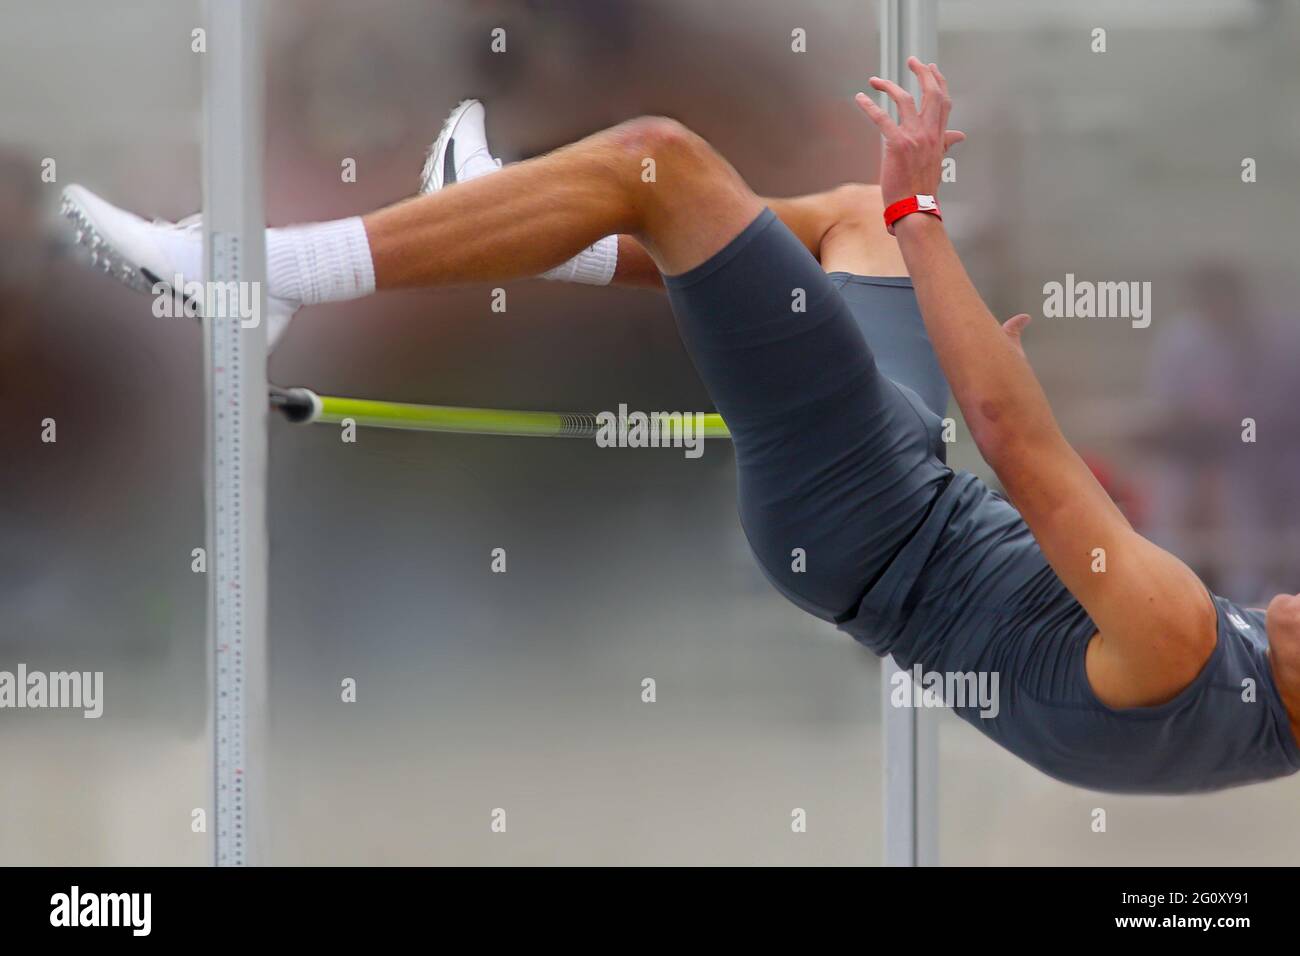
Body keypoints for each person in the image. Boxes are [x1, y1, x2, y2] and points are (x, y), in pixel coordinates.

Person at [61, 59, 1300, 793]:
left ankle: (257, 274)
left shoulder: (1186, 643)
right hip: (897, 489)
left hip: (861, 508)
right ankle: (494, 213)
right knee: (844, 220)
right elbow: (1018, 460)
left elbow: (1014, 442)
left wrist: (930, 213)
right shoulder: (1230, 693)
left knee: (664, 164)